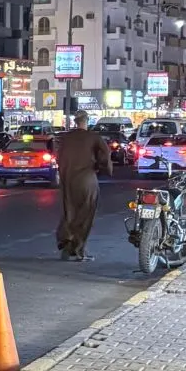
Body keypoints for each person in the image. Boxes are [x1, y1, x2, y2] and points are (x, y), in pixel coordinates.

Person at [56, 111, 111, 261]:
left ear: (75, 121)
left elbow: (58, 157)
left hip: (68, 179)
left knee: (70, 210)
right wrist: (104, 169)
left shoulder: (66, 138)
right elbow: (105, 155)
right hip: (86, 179)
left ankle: (66, 240)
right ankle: (79, 249)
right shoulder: (94, 138)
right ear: (86, 121)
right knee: (86, 213)